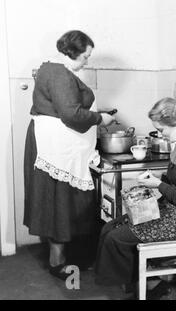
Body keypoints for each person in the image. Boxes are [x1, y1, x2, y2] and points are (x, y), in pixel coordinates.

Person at [94, 97, 176, 299]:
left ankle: (146, 287)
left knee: (117, 238)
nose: (160, 134)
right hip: (174, 212)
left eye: (162, 130)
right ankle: (150, 284)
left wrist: (158, 184)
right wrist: (157, 179)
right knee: (110, 227)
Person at [23, 30, 116, 280]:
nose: (87, 61)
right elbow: (71, 114)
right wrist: (100, 118)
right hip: (55, 149)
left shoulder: (53, 69)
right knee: (60, 202)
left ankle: (63, 256)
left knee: (60, 201)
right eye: (85, 56)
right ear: (71, 52)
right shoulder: (59, 73)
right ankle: (58, 261)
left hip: (56, 145)